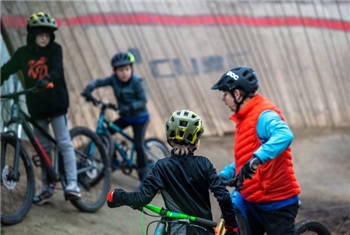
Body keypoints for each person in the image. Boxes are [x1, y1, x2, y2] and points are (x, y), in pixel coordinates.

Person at [106, 109, 238, 235]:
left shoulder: (162, 167)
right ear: (196, 140)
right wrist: (231, 228)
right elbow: (224, 197)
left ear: (169, 138)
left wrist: (117, 196)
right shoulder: (204, 164)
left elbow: (141, 199)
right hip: (204, 231)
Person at [0, 12, 81, 203]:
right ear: (32, 34)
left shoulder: (55, 50)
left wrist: (48, 78)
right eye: (40, 33)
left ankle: (72, 184)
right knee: (43, 147)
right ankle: (46, 187)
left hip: (56, 104)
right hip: (36, 106)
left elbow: (57, 70)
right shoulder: (23, 53)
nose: (44, 37)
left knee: (63, 142)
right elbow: (7, 69)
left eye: (48, 34)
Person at [211, 66, 301, 235]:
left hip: (276, 202)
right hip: (251, 199)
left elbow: (284, 135)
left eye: (225, 94)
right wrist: (224, 175)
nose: (223, 99)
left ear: (237, 94)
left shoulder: (264, 115)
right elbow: (245, 157)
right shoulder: (244, 118)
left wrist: (256, 159)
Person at [81, 51, 150, 183]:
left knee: (138, 145)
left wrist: (129, 107)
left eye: (127, 69)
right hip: (125, 116)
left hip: (140, 118)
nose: (124, 73)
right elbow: (99, 82)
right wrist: (88, 89)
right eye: (120, 70)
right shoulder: (113, 80)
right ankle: (114, 162)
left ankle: (145, 176)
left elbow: (143, 100)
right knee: (107, 132)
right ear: (115, 71)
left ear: (131, 69)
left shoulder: (136, 81)